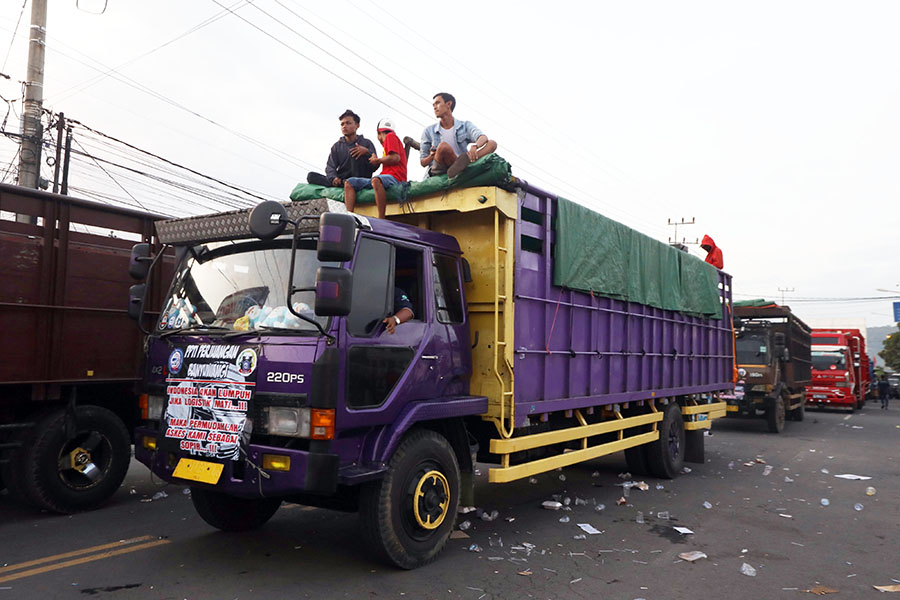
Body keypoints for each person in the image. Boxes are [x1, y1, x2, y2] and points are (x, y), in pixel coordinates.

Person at [420, 92, 498, 179]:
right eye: (433, 105)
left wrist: (475, 146)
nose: (434, 107)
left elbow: (483, 137)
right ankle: (461, 167)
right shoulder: (429, 131)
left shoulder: (464, 125)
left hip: (459, 163)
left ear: (449, 104)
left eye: (438, 103)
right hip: (439, 168)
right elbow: (423, 162)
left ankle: (462, 165)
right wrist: (431, 156)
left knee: (492, 143)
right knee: (443, 147)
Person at [343, 118, 407, 219]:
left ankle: (381, 218)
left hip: (396, 178)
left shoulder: (390, 136)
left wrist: (378, 160)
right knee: (349, 183)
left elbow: (395, 158)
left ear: (379, 133)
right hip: (384, 177)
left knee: (376, 180)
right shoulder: (390, 141)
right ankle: (349, 217)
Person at [306, 110, 378, 188]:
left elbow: (375, 165)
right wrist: (334, 178)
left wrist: (366, 152)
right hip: (342, 180)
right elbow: (330, 166)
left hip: (360, 179)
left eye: (348, 123)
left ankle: (351, 184)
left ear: (357, 125)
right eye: (342, 124)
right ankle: (342, 184)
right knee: (311, 176)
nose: (344, 126)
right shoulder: (337, 146)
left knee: (355, 154)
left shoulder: (366, 143)